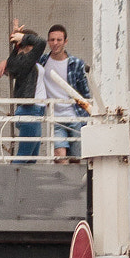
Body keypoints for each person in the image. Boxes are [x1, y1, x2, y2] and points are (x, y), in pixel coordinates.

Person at [36, 25, 89, 163]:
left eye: (59, 40)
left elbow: (85, 93)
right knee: (60, 157)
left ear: (65, 41)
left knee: (76, 160)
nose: (55, 43)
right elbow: (23, 61)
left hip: (76, 117)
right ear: (48, 41)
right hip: (55, 118)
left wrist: (88, 119)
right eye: (52, 40)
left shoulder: (76, 64)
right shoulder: (42, 62)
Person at [0, 24, 46, 162]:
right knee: (24, 157)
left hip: (34, 112)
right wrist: (23, 37)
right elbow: (41, 43)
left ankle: (23, 182)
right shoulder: (25, 60)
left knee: (30, 159)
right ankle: (11, 182)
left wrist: (18, 40)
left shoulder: (25, 60)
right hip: (29, 111)